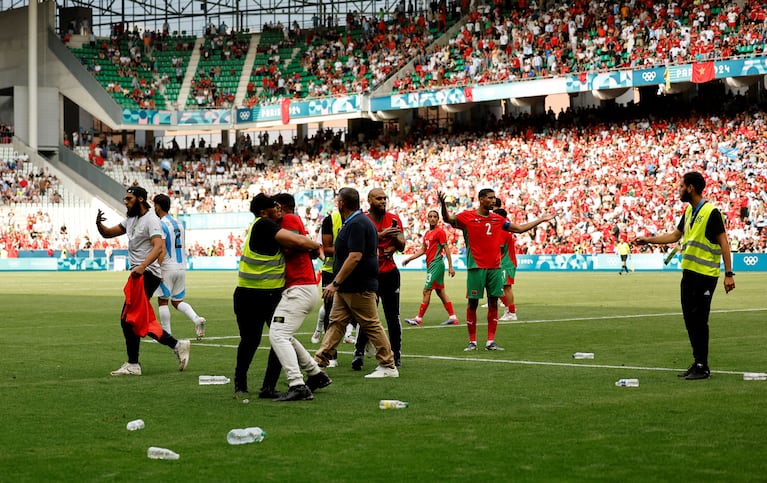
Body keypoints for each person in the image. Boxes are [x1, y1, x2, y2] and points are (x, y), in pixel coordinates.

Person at [634, 171, 735, 380]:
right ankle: (697, 362)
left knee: (700, 321)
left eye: (681, 186)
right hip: (689, 275)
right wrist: (648, 240)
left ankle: (702, 366)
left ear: (691, 188)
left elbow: (724, 242)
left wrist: (728, 274)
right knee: (690, 320)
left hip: (705, 275)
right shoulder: (689, 212)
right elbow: (675, 235)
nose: (679, 190)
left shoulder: (711, 212)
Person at [438, 188, 557, 351]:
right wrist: (443, 205)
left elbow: (520, 229)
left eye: (494, 198)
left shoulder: (498, 220)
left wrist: (541, 219)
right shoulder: (467, 217)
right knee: (472, 304)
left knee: (493, 303)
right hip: (476, 267)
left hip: (495, 268)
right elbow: (448, 219)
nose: (493, 201)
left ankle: (490, 342)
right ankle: (472, 341)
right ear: (480, 199)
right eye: (490, 198)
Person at [233, 193, 322, 395]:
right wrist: (316, 246)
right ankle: (249, 384)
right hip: (253, 295)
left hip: (264, 294)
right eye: (274, 206)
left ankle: (261, 386)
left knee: (272, 338)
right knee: (256, 340)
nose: (278, 208)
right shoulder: (264, 224)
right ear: (264, 212)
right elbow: (297, 241)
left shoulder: (267, 224)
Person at [96, 186, 191, 376]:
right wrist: (99, 224)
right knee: (136, 319)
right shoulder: (131, 219)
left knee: (127, 318)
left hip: (147, 274)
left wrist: (142, 266)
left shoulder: (152, 220)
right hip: (139, 274)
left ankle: (134, 364)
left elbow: (158, 247)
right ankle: (177, 345)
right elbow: (108, 233)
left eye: (129, 198)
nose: (126, 201)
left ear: (140, 199)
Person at [314, 187, 399, 378]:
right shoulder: (357, 222)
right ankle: (319, 363)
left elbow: (355, 256)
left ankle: (388, 365)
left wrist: (335, 283)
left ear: (341, 203)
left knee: (371, 324)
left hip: (358, 285)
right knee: (336, 323)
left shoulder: (357, 224)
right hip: (349, 286)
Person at [266, 193, 332, 401]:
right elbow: (309, 248)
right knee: (284, 334)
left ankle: (297, 384)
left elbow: (290, 246)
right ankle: (316, 374)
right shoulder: (292, 221)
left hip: (299, 287)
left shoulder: (289, 220)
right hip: (301, 286)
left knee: (278, 335)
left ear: (279, 206)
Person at [352, 188, 406, 370]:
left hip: (390, 273)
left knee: (392, 316)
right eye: (379, 198)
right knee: (368, 316)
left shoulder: (394, 218)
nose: (383, 201)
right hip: (368, 274)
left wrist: (395, 240)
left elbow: (402, 245)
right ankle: (358, 353)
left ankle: (396, 355)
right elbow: (362, 244)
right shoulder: (363, 220)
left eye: (385, 198)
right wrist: (382, 235)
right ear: (369, 200)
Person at [151, 194, 206, 339]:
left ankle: (167, 334)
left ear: (158, 206)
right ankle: (196, 319)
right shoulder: (179, 223)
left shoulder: (161, 224)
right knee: (177, 301)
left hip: (168, 267)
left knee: (162, 301)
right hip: (181, 267)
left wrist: (158, 268)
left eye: (154, 205)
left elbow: (162, 248)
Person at [402, 209, 458, 326]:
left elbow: (446, 248)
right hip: (431, 265)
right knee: (440, 292)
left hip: (436, 264)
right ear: (427, 219)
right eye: (430, 216)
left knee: (426, 290)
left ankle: (418, 318)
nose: (432, 218)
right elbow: (423, 250)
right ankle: (453, 317)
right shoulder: (427, 234)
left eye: (435, 217)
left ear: (438, 219)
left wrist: (451, 266)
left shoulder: (440, 232)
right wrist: (409, 258)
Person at [494, 208, 518, 321]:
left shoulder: (503, 231)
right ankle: (510, 309)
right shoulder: (505, 229)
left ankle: (511, 312)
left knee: (506, 287)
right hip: (505, 262)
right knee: (497, 287)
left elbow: (499, 248)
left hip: (506, 263)